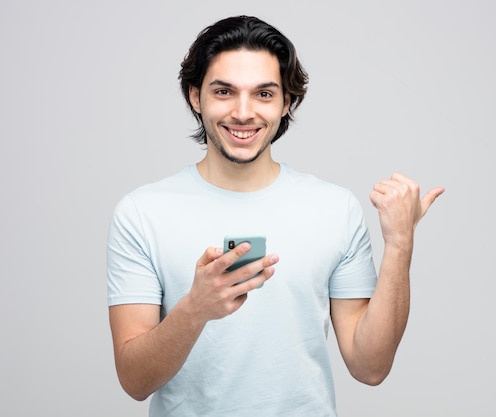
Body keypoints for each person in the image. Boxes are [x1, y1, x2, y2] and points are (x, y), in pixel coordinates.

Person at [107, 15, 444, 417]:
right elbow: (134, 381)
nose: (244, 113)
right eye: (224, 91)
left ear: (287, 102)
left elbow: (370, 366)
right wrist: (196, 307)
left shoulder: (334, 209)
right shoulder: (142, 213)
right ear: (195, 97)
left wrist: (400, 243)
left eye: (264, 94)